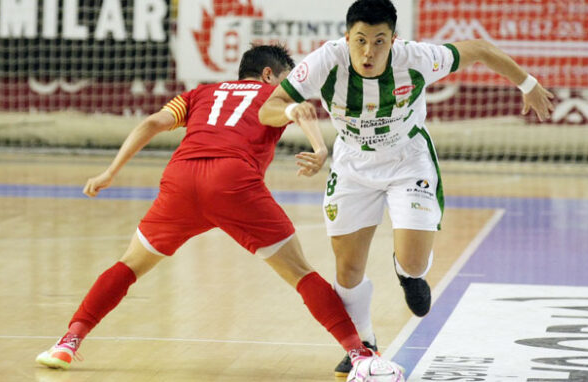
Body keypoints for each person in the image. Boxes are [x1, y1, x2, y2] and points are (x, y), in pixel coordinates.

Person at [35, 44, 378, 372]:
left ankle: (68, 342)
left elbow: (151, 123)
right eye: (286, 78)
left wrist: (110, 171)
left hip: (181, 179)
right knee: (301, 273)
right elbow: (301, 110)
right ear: (269, 75)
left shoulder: (200, 93)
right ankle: (359, 354)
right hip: (233, 182)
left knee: (129, 265)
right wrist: (320, 150)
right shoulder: (272, 94)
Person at [259, 0, 555, 376]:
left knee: (415, 261)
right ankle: (364, 344)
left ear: (393, 39)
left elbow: (480, 49)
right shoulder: (325, 61)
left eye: (379, 41)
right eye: (361, 40)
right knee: (347, 267)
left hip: (407, 160)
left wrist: (526, 84)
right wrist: (289, 111)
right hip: (353, 163)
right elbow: (269, 106)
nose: (369, 51)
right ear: (347, 37)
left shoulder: (416, 58)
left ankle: (408, 274)